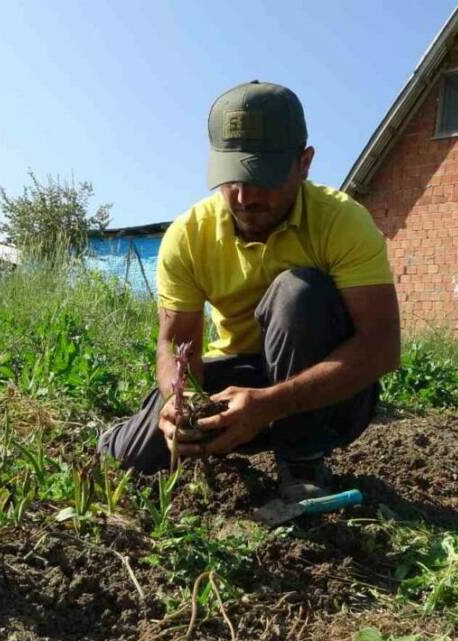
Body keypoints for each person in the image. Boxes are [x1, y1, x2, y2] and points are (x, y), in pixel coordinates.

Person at [97, 80, 400, 502]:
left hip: (325, 396)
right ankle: (120, 437)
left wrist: (270, 404)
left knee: (299, 293)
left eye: (264, 177)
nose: (245, 196)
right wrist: (177, 399)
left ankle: (301, 464)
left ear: (305, 163)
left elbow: (382, 347)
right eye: (232, 178)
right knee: (131, 457)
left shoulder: (342, 222)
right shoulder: (188, 235)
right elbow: (175, 343)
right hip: (239, 379)